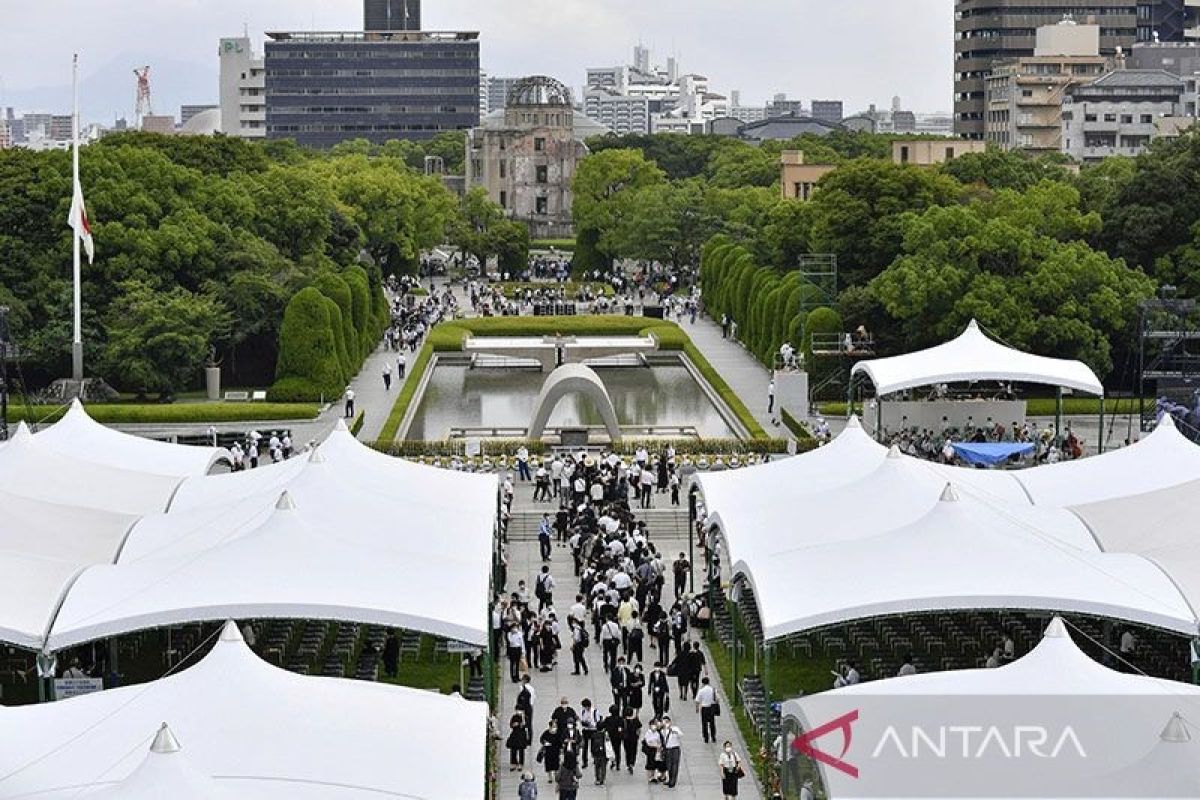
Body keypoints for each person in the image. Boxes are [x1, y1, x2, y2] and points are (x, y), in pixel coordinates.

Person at [661, 715, 683, 788]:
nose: (665, 723)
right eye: (664, 722)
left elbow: (681, 735)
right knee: (668, 765)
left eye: (667, 722)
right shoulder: (662, 730)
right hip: (667, 750)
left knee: (674, 765)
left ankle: (673, 781)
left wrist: (673, 730)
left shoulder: (675, 728)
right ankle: (670, 779)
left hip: (675, 749)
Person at [696, 675, 718, 743]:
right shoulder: (713, 689)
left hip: (704, 708)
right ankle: (713, 736)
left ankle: (706, 737)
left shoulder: (701, 690)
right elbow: (717, 699)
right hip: (711, 708)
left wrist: (697, 708)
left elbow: (697, 700)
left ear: (702, 683)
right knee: (712, 723)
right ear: (709, 682)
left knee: (704, 723)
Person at [643, 718, 665, 784]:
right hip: (652, 751)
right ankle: (651, 777)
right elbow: (648, 742)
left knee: (659, 763)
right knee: (651, 764)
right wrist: (656, 746)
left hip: (658, 750)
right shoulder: (648, 733)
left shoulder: (658, 732)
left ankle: (660, 776)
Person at [621, 707, 642, 775]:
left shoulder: (623, 721)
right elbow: (639, 728)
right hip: (634, 738)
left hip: (626, 739)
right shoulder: (636, 720)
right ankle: (632, 763)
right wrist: (638, 736)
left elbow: (621, 729)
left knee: (627, 751)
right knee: (633, 751)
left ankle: (628, 763)